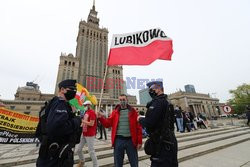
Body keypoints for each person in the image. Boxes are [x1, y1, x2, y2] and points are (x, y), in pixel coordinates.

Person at [36, 79, 82, 167]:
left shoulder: (57, 103)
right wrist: (76, 120)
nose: (74, 92)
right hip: (55, 156)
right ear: (62, 90)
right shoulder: (59, 104)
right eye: (71, 89)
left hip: (55, 153)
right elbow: (57, 128)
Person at [138, 81, 178, 167]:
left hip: (162, 144)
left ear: (158, 89)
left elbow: (150, 122)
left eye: (151, 89)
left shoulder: (158, 102)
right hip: (170, 140)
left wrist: (140, 119)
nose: (150, 91)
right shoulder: (168, 102)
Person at [97, 94, 142, 167]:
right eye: (120, 100)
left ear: (127, 100)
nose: (122, 101)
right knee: (118, 164)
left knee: (134, 163)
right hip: (118, 140)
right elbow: (108, 124)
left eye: (123, 100)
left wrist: (139, 141)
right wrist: (101, 118)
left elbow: (138, 127)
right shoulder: (115, 112)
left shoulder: (133, 111)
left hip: (130, 141)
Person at [76, 100, 98, 167]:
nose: (84, 106)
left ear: (89, 105)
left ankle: (95, 165)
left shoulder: (92, 112)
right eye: (84, 105)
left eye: (85, 105)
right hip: (84, 133)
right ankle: (82, 161)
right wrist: (81, 124)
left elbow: (91, 123)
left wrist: (82, 121)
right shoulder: (86, 112)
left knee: (91, 151)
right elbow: (85, 121)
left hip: (90, 134)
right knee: (78, 149)